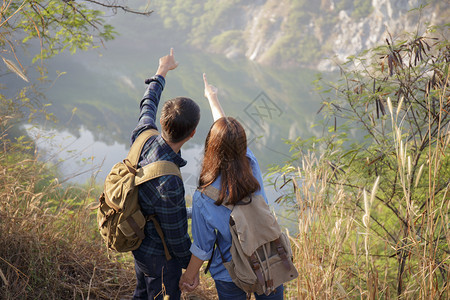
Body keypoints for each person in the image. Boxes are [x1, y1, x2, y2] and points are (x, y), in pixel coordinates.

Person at [179, 74, 284, 299]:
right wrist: (213, 98)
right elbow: (230, 137)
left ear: (211, 147)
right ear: (242, 144)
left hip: (231, 272)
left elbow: (203, 248)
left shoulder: (204, 196)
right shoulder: (250, 163)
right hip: (268, 259)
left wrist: (189, 276)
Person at [130, 48, 200, 300]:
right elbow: (177, 235)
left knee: (141, 292)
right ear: (192, 134)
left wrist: (162, 70)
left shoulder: (143, 135)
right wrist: (190, 270)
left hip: (137, 242)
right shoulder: (169, 180)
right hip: (159, 257)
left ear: (162, 122)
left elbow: (147, 102)